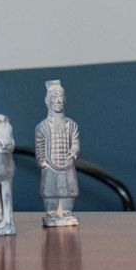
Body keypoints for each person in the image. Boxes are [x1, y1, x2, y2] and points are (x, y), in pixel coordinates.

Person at [36, 79, 80, 226]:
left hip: (67, 165)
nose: (59, 101)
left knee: (69, 190)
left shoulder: (71, 124)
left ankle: (66, 212)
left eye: (61, 98)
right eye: (55, 98)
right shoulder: (42, 126)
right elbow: (40, 146)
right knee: (50, 191)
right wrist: (42, 160)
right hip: (50, 164)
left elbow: (75, 143)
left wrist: (73, 154)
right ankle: (52, 212)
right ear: (47, 101)